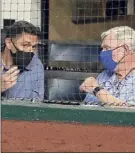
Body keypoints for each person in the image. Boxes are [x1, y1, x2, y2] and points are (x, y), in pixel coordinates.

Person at [80, 26, 135, 106]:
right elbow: (87, 105)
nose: (102, 53)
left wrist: (96, 89)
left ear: (125, 49)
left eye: (107, 48)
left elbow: (129, 113)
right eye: (102, 49)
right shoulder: (105, 75)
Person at [1, 20, 44, 101]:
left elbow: (38, 105)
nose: (30, 50)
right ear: (9, 43)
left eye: (33, 46)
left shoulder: (36, 65)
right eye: (25, 45)